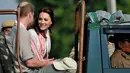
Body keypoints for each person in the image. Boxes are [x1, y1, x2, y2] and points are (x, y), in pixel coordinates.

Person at [5, 1, 77, 73]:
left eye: (45, 20)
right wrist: (48, 63)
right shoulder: (23, 32)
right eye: (39, 18)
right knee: (70, 65)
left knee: (66, 61)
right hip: (31, 71)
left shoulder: (16, 30)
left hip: (33, 68)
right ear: (30, 14)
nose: (42, 22)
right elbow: (30, 63)